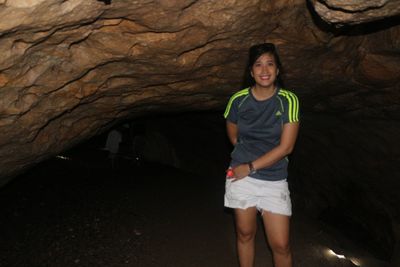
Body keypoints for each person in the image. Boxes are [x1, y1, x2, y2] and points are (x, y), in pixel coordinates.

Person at [223, 43, 300, 267]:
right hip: (242, 177)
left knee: (281, 245)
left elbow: (287, 147)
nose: (264, 70)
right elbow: (234, 134)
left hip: (274, 178)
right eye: (258, 65)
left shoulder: (288, 100)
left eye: (270, 64)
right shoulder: (238, 100)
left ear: (277, 70)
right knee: (245, 234)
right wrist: (243, 159)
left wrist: (251, 165)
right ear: (251, 71)